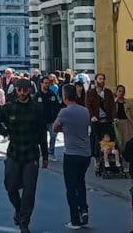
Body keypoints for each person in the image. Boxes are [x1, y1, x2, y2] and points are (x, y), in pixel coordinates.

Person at [0, 78, 48, 233]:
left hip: (31, 154)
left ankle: (24, 222)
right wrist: (4, 131)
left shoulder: (37, 108)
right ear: (16, 90)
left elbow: (42, 133)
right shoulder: (9, 107)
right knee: (10, 186)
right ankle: (18, 208)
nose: (22, 93)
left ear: (29, 90)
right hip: (14, 153)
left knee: (29, 190)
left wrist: (46, 155)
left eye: (25, 90)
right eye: (20, 90)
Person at [53, 84, 91, 229]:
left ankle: (75, 219)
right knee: (80, 182)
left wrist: (66, 128)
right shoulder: (85, 111)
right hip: (85, 154)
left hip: (71, 153)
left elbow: (56, 127)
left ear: (64, 96)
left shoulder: (64, 112)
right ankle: (84, 210)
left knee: (70, 187)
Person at [86, 72, 116, 167]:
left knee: (109, 137)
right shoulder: (90, 93)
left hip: (107, 120)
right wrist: (92, 116)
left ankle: (110, 156)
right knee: (96, 139)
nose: (102, 81)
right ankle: (97, 158)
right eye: (100, 79)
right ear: (96, 80)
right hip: (96, 120)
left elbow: (112, 105)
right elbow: (88, 106)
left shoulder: (108, 92)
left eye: (103, 79)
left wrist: (114, 117)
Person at [34, 75, 61, 161]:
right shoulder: (37, 95)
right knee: (43, 138)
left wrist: (58, 118)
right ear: (41, 84)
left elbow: (57, 106)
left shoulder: (52, 94)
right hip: (41, 121)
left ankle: (51, 153)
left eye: (48, 83)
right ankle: (43, 153)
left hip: (52, 120)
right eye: (45, 83)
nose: (47, 85)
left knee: (53, 136)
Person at [114, 84, 133, 154]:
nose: (121, 93)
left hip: (127, 123)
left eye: (123, 91)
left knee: (127, 141)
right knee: (119, 141)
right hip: (117, 123)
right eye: (119, 91)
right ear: (116, 92)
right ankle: (119, 157)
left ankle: (127, 157)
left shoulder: (128, 102)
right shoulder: (113, 102)